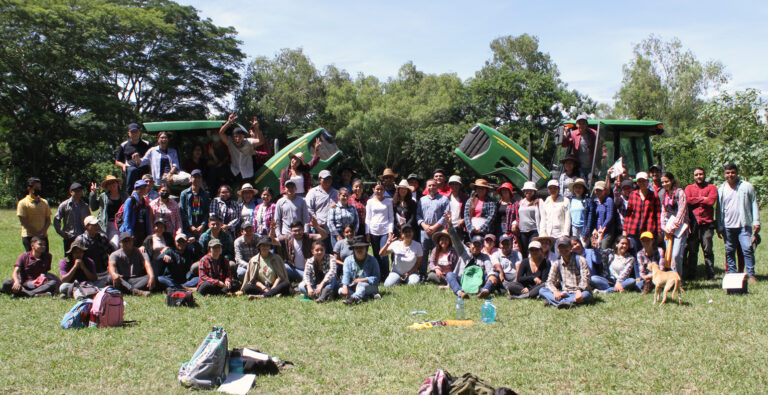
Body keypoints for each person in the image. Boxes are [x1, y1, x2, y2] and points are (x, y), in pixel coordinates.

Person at [716, 164, 760, 283]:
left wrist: (756, 221)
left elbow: (754, 204)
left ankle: (751, 275)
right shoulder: (721, 189)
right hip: (727, 226)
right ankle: (732, 273)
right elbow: (719, 209)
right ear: (724, 174)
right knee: (729, 250)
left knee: (747, 249)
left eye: (733, 172)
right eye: (728, 173)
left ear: (737, 172)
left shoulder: (746, 187)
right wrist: (719, 226)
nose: (730, 175)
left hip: (744, 225)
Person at [444, 211, 495, 299]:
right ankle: (460, 292)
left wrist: (491, 275)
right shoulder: (463, 251)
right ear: (470, 244)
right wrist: (450, 225)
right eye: (474, 244)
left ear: (482, 247)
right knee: (449, 275)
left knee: (494, 275)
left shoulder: (485, 257)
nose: (476, 247)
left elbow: (489, 268)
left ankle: (484, 291)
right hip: (463, 281)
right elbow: (455, 239)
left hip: (478, 283)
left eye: (479, 245)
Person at [539, 236, 593, 308]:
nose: (563, 249)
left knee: (586, 295)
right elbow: (549, 281)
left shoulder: (580, 260)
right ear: (558, 249)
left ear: (571, 247)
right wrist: (555, 291)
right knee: (542, 290)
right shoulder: (557, 263)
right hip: (565, 292)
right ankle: (567, 302)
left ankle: (556, 302)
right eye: (561, 247)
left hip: (580, 292)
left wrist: (579, 290)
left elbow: (586, 278)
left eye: (566, 246)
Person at [684, 167, 718, 280]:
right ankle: (691, 274)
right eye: (696, 174)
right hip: (694, 224)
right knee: (692, 250)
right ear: (694, 176)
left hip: (707, 224)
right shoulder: (689, 188)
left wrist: (697, 200)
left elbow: (711, 201)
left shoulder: (711, 187)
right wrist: (703, 198)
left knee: (707, 249)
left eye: (701, 174)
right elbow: (688, 201)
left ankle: (711, 274)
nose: (699, 176)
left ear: (704, 175)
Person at [217, 113, 267, 186]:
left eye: (240, 136)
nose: (237, 139)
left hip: (248, 174)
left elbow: (261, 141)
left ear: (243, 136)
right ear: (233, 137)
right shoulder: (230, 142)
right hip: (235, 172)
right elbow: (221, 133)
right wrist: (229, 122)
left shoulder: (248, 142)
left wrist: (256, 128)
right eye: (235, 136)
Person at [278, 218, 328, 283]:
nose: (297, 233)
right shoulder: (288, 238)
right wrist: (272, 231)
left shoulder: (309, 237)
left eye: (300, 230)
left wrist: (316, 226)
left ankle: (303, 280)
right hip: (294, 269)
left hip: (308, 270)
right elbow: (273, 241)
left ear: (303, 229)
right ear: (291, 231)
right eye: (295, 231)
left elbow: (324, 235)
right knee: (284, 267)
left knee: (309, 279)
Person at [417, 179, 450, 275]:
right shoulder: (422, 200)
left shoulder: (444, 199)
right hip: (424, 230)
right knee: (423, 252)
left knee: (436, 252)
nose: (431, 187)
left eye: (434, 185)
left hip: (438, 230)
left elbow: (445, 216)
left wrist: (434, 227)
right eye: (429, 186)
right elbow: (418, 215)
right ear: (426, 187)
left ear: (437, 186)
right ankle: (422, 274)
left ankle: (434, 273)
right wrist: (424, 225)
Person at [659, 172, 689, 278]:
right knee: (670, 255)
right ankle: (673, 280)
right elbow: (663, 211)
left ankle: (679, 278)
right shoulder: (663, 194)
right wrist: (663, 226)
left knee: (676, 255)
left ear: (671, 181)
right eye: (662, 182)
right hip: (668, 228)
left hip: (680, 228)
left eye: (666, 181)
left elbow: (682, 210)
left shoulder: (680, 193)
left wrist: (674, 226)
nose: (664, 184)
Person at [622, 172, 661, 253]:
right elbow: (628, 214)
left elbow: (657, 214)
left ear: (647, 182)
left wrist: (659, 231)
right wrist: (625, 229)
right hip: (634, 228)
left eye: (643, 181)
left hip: (648, 228)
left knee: (649, 252)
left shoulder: (654, 195)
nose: (641, 183)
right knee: (636, 253)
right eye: (639, 181)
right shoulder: (633, 194)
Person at [108, 232, 155, 296]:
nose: (127, 243)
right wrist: (114, 274)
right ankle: (134, 291)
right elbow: (111, 265)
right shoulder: (115, 254)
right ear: (120, 243)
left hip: (136, 280)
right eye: (125, 241)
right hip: (122, 279)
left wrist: (152, 276)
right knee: (110, 277)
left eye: (129, 240)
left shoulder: (140, 251)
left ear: (132, 241)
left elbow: (147, 264)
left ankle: (128, 290)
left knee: (150, 277)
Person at [89, 175, 127, 248]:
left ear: (117, 183)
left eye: (114, 182)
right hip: (104, 224)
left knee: (115, 245)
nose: (112, 185)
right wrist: (93, 194)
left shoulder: (124, 195)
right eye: (109, 183)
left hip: (119, 224)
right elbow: (93, 208)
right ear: (107, 187)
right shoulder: (103, 196)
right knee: (105, 246)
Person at [76, 215, 116, 285]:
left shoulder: (102, 237)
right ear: (87, 226)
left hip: (103, 272)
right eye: (94, 225)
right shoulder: (80, 240)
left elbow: (113, 253)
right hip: (87, 273)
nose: (96, 226)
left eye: (97, 224)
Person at [340, 236, 381, 304]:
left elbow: (377, 278)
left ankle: (353, 299)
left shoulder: (373, 260)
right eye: (356, 248)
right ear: (353, 249)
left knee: (361, 285)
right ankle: (367, 297)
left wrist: (362, 280)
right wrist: (345, 286)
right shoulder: (348, 260)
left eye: (361, 247)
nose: (359, 249)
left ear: (366, 248)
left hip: (369, 286)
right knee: (340, 290)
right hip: (353, 286)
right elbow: (346, 275)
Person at [366, 182, 395, 279]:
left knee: (384, 254)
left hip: (385, 231)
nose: (379, 191)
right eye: (377, 189)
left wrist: (390, 231)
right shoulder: (370, 202)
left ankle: (386, 274)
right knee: (376, 254)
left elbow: (391, 217)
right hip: (373, 231)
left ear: (384, 190)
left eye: (381, 189)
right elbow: (368, 218)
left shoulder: (388, 202)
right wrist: (367, 232)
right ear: (374, 189)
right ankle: (378, 274)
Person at [506, 181, 542, 258]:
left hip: (534, 230)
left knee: (532, 250)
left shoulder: (538, 202)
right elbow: (517, 215)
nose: (528, 192)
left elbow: (543, 217)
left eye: (530, 190)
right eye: (526, 190)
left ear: (534, 191)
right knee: (524, 252)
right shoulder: (521, 202)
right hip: (522, 231)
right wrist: (514, 223)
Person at [306, 169, 339, 250]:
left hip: (333, 229)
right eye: (325, 178)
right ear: (319, 179)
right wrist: (316, 221)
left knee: (333, 252)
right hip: (319, 228)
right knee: (319, 251)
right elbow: (308, 208)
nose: (327, 181)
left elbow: (342, 206)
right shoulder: (313, 192)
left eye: (329, 178)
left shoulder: (336, 193)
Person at [54, 182, 91, 252]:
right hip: (69, 236)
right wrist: (60, 232)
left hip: (82, 236)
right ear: (71, 192)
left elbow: (89, 220)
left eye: (80, 191)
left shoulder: (85, 206)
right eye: (76, 191)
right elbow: (56, 219)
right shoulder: (64, 205)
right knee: (69, 258)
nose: (78, 193)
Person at [114, 123, 150, 193]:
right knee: (132, 170)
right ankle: (129, 194)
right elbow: (117, 161)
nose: (135, 134)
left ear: (139, 132)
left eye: (136, 132)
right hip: (131, 169)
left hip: (143, 169)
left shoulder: (146, 144)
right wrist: (123, 165)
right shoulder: (124, 145)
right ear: (128, 133)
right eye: (132, 132)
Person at [17, 177, 50, 252]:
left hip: (43, 236)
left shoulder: (44, 202)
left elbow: (48, 219)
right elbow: (24, 222)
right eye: (36, 188)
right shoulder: (23, 203)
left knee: (45, 259)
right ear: (29, 188)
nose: (38, 189)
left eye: (39, 187)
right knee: (31, 260)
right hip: (29, 236)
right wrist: (36, 233)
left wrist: (43, 231)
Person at [179, 169, 210, 239]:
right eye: (194, 177)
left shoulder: (205, 195)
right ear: (190, 178)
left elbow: (207, 211)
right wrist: (190, 226)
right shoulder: (184, 194)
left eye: (198, 177)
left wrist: (203, 225)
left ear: (201, 179)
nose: (196, 179)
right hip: (188, 227)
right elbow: (182, 211)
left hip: (201, 226)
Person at [118, 180, 151, 244]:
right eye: (141, 188)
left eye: (144, 187)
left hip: (142, 231)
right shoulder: (130, 200)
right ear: (136, 189)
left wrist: (148, 233)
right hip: (133, 231)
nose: (143, 190)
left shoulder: (144, 202)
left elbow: (146, 219)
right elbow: (126, 218)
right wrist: (129, 233)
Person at [586, 181, 615, 250]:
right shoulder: (594, 201)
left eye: (599, 190)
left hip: (606, 231)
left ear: (604, 190)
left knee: (603, 249)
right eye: (596, 190)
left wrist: (602, 228)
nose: (597, 192)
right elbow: (592, 217)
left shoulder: (609, 200)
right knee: (594, 249)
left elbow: (609, 216)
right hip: (596, 231)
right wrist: (594, 229)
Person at [205, 128, 231, 195]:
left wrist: (219, 162)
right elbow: (209, 162)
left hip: (224, 170)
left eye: (217, 133)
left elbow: (226, 159)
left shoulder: (225, 145)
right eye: (214, 133)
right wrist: (214, 158)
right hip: (211, 171)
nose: (215, 135)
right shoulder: (208, 145)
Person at [568, 178, 589, 243]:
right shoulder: (570, 200)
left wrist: (586, 231)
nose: (578, 190)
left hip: (584, 227)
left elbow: (589, 216)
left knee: (584, 245)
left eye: (580, 188)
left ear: (583, 189)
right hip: (574, 227)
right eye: (576, 188)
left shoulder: (587, 201)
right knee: (575, 246)